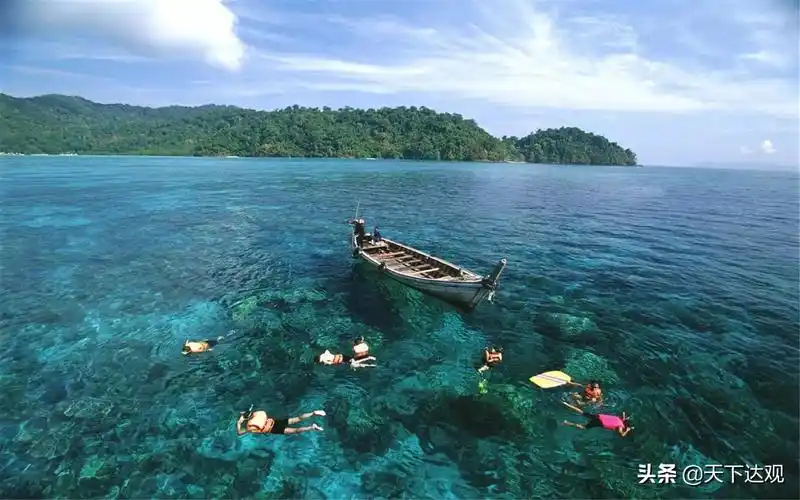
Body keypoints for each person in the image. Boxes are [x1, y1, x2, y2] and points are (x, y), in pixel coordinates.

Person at [560, 401, 633, 437]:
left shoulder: (620, 419)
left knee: (582, 412)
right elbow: (622, 435)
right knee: (583, 427)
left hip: (598, 416)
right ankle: (567, 423)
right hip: (599, 422)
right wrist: (627, 430)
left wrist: (625, 417)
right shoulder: (620, 427)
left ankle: (567, 404)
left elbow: (623, 416)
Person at [236, 406, 325, 436]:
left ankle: (311, 427)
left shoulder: (250, 425)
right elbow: (250, 414)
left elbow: (240, 432)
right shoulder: (259, 413)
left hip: (273, 429)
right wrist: (246, 414)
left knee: (295, 431)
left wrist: (239, 422)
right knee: (297, 418)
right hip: (275, 422)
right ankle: (313, 413)